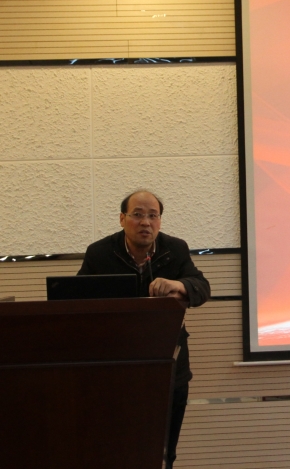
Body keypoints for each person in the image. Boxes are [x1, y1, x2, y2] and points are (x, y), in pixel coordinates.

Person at [78, 190, 210, 469]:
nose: (146, 222)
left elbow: (202, 288)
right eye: (137, 215)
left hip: (169, 364)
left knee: (164, 450)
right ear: (122, 219)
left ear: (160, 221)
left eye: (153, 215)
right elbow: (75, 299)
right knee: (117, 447)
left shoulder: (175, 249)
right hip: (116, 368)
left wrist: (180, 285)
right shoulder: (100, 253)